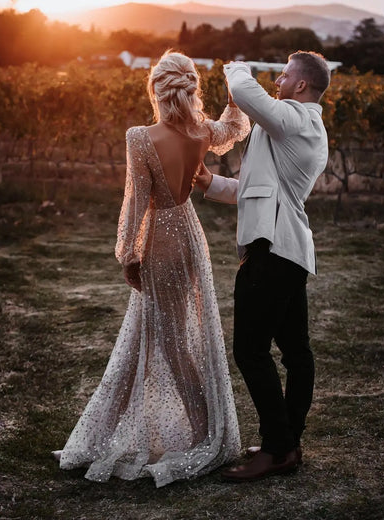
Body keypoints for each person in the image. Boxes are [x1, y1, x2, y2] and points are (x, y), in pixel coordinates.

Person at [53, 50, 250, 488]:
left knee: (170, 339)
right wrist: (235, 93)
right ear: (188, 89)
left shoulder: (140, 137)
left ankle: (203, 429)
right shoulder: (202, 131)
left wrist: (128, 253)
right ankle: (102, 432)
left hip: (161, 241)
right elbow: (235, 126)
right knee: (156, 335)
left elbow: (137, 202)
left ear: (156, 90)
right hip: (190, 237)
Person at [196, 51, 331, 482]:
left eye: (285, 76)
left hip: (272, 251)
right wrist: (211, 183)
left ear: (302, 86)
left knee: (250, 351)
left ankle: (277, 448)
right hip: (286, 252)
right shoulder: (295, 127)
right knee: (295, 353)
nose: (278, 81)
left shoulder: (299, 118)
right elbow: (260, 189)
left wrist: (236, 66)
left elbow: (242, 91)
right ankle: (286, 442)